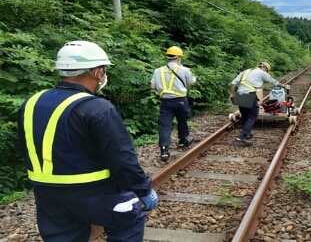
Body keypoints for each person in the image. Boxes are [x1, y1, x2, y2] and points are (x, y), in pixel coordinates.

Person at [17, 40, 158, 242]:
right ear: (97, 72)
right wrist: (143, 189)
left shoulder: (30, 103)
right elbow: (122, 159)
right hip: (97, 194)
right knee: (129, 221)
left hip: (48, 196)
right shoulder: (97, 108)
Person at [150, 46, 196, 161]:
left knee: (165, 125)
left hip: (165, 101)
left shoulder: (158, 70)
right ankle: (182, 140)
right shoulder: (184, 70)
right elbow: (191, 82)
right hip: (180, 100)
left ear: (167, 57)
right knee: (182, 120)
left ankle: (164, 150)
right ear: (179, 57)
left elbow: (153, 87)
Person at [230, 62, 290, 146]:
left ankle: (247, 133)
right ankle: (241, 137)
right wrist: (284, 86)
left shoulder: (245, 71)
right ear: (266, 69)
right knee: (252, 115)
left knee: (245, 115)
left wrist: (232, 94)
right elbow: (274, 82)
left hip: (240, 95)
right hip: (249, 95)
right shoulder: (262, 72)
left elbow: (233, 83)